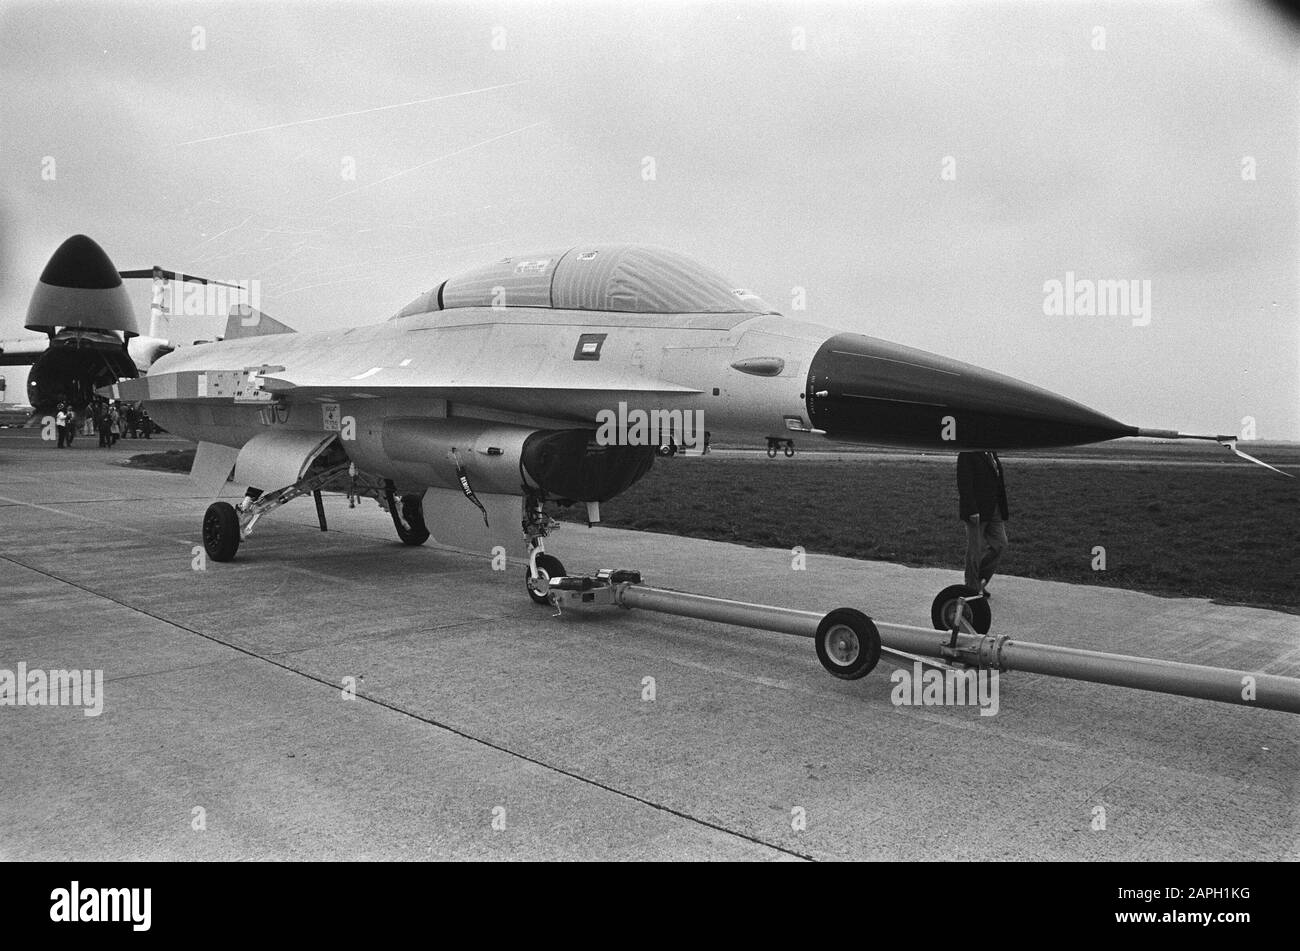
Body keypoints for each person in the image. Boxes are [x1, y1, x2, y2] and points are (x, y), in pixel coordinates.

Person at [957, 450, 1009, 596]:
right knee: (975, 550)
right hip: (977, 510)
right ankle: (971, 587)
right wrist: (971, 509)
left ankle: (979, 581)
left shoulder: (991, 451)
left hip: (995, 508)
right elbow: (964, 482)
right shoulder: (968, 452)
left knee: (1000, 544)